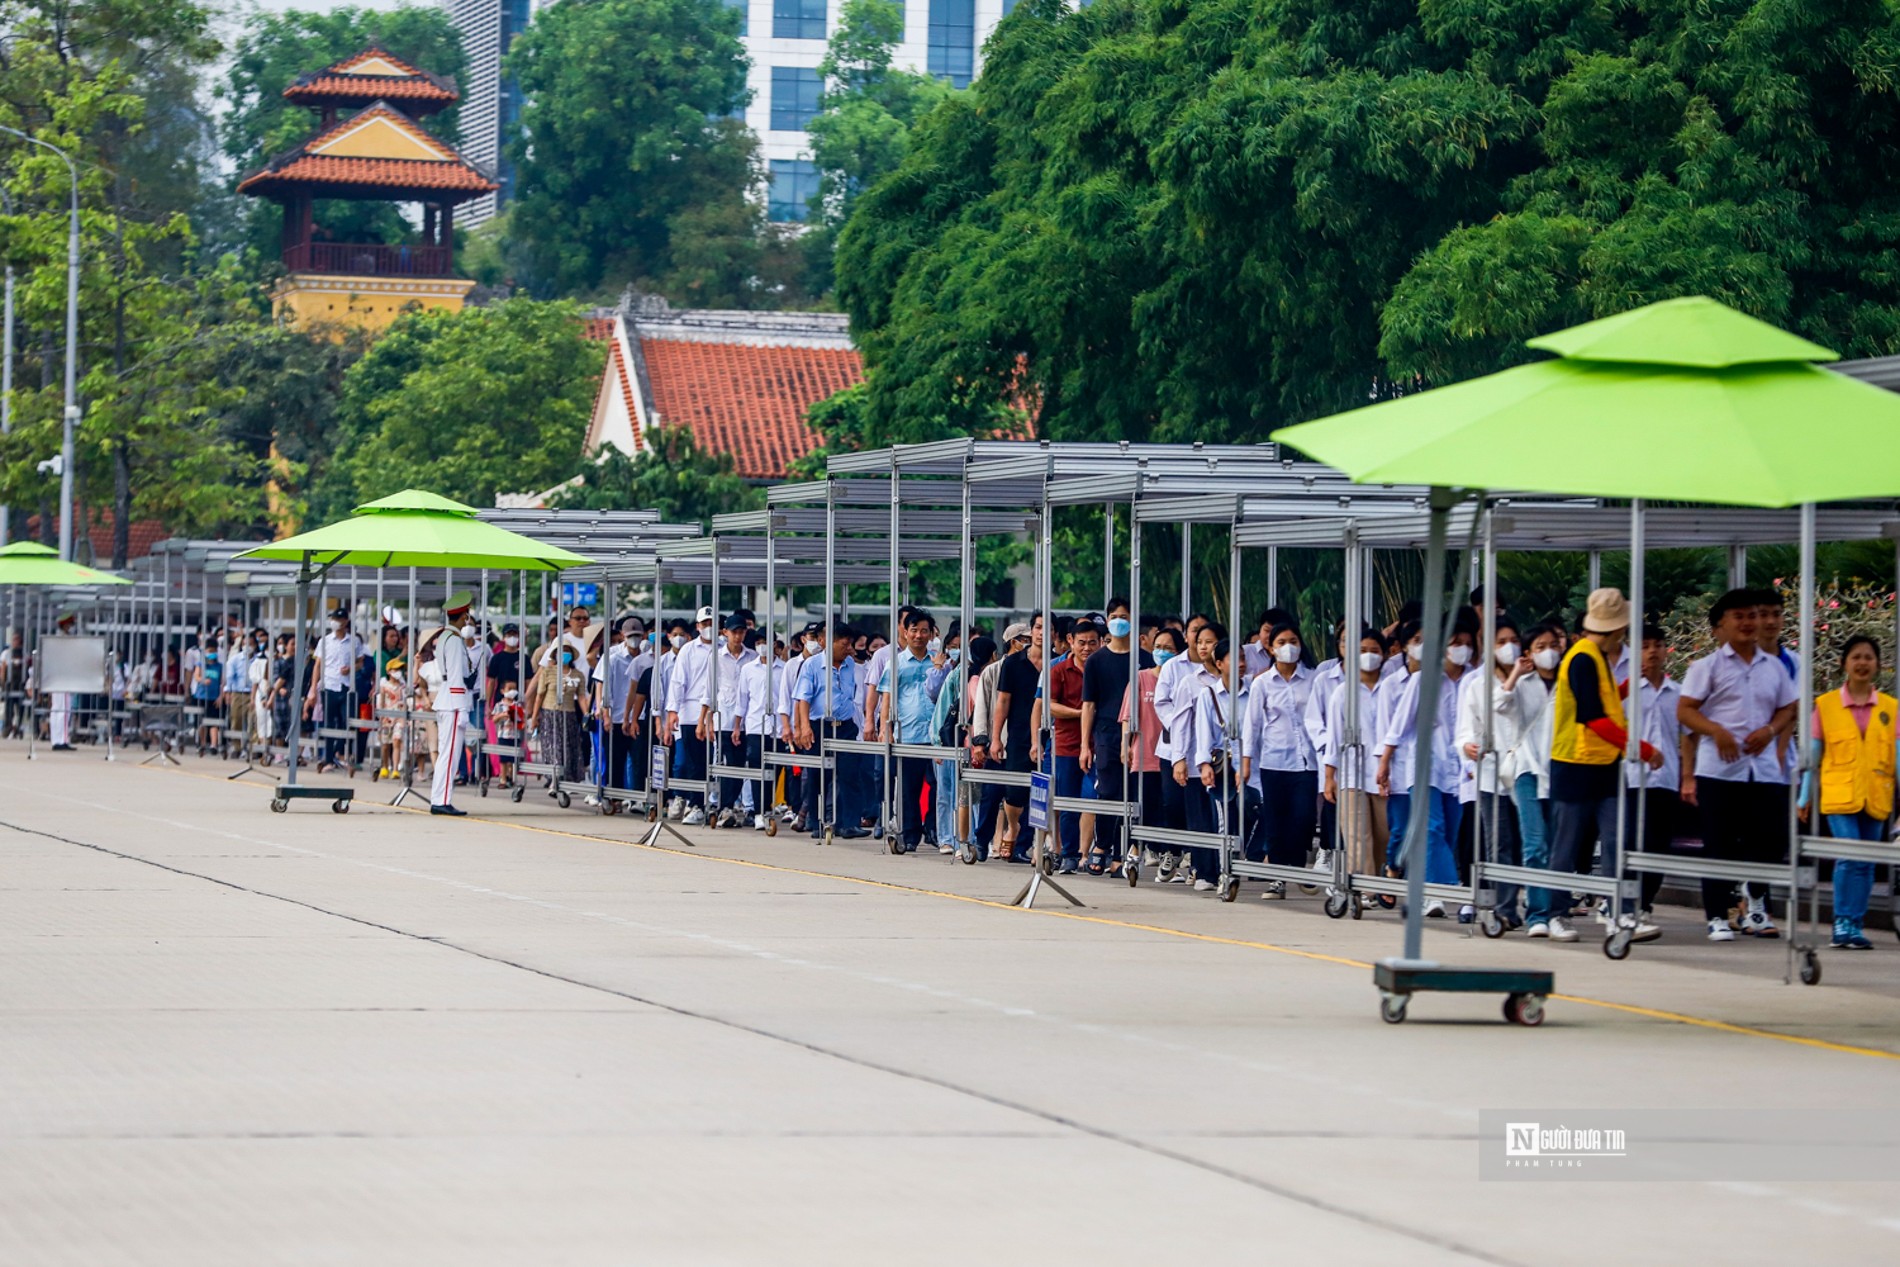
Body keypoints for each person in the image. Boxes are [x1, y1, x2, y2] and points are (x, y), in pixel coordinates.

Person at [1678, 588, 1798, 941]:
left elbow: (1788, 707)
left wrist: (1769, 730)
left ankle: (1756, 905)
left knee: (1770, 839)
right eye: (1739, 617)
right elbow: (1685, 710)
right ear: (1719, 628)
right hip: (1720, 770)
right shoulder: (1707, 667)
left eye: (1752, 616)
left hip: (1763, 769)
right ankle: (1716, 914)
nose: (1749, 623)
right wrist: (1716, 730)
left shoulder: (1774, 666)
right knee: (1719, 843)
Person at [1543, 588, 1660, 943]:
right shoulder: (1582, 658)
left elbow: (1602, 701)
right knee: (1567, 846)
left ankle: (1619, 913)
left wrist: (1626, 685)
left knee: (1614, 841)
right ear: (1617, 629)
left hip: (1603, 764)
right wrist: (1640, 747)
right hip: (1575, 764)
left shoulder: (1596, 657)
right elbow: (1594, 717)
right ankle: (1555, 914)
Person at [1799, 634, 1893, 950]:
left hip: (1876, 794)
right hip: (1839, 795)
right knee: (1850, 853)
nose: (1862, 663)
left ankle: (1856, 923)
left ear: (1878, 664)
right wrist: (1804, 796)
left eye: (1868, 657)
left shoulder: (1892, 709)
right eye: (1856, 657)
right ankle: (1842, 921)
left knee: (1867, 861)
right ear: (1844, 664)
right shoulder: (1825, 706)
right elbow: (1813, 756)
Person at [1375, 615, 1473, 917]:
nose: (1461, 650)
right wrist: (1385, 763)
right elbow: (1398, 726)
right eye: (1455, 643)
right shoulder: (1422, 679)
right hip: (1425, 765)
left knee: (1452, 832)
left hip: (1462, 770)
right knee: (1432, 828)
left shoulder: (1474, 679)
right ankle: (1447, 889)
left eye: (1467, 645)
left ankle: (1432, 889)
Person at [1607, 624, 1679, 943]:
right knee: (1633, 843)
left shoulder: (1678, 693)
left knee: (1658, 847)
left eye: (1658, 645)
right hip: (1633, 778)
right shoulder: (1622, 692)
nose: (1652, 651)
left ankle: (1644, 903)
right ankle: (1623, 905)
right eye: (1645, 645)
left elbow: (1685, 738)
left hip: (1667, 778)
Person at [1240, 621, 1317, 898]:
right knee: (1276, 821)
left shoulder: (1313, 679)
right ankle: (1278, 877)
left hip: (1307, 761)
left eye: (1293, 641)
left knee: (1304, 818)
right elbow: (1253, 725)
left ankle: (1295, 867)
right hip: (1273, 761)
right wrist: (1246, 762)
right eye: (1282, 642)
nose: (1289, 648)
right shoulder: (1262, 683)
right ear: (1271, 649)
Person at [1455, 619, 1523, 925]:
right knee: (1500, 843)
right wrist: (1467, 747)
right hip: (1491, 775)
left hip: (1528, 773)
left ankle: (1527, 904)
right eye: (1501, 641)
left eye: (1513, 639)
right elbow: (1465, 731)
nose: (1509, 647)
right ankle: (1504, 908)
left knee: (1528, 843)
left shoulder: (1532, 681)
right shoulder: (1476, 685)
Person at [1498, 622, 1564, 935]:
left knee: (1559, 846)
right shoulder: (1523, 684)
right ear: (1528, 654)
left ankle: (1556, 912)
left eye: (1553, 645)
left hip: (1563, 772)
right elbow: (1500, 704)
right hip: (1527, 770)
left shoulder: (1569, 681)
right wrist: (1516, 673)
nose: (1548, 652)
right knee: (1535, 843)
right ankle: (1538, 915)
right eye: (1540, 647)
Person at [1080, 598, 1149, 873]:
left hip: (1139, 732)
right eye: (1114, 615)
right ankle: (1103, 845)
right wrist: (1086, 745)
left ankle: (1124, 852)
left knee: (1133, 793)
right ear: (1107, 620)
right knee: (1108, 790)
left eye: (1124, 615)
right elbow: (1088, 704)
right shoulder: (1096, 660)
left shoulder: (1144, 659)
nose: (1119, 620)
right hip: (1106, 732)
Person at [1324, 628, 1389, 888]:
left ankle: (1382, 885)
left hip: (1385, 774)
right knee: (1357, 834)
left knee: (1384, 834)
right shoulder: (1343, 692)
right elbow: (1334, 737)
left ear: (1384, 654)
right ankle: (1363, 888)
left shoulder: (1391, 688)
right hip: (1351, 773)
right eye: (1362, 651)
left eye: (1374, 651)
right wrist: (1329, 776)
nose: (1369, 656)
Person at [880, 610, 949, 854]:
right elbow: (886, 698)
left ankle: (932, 829)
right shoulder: (895, 663)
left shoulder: (940, 662)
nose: (919, 635)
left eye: (924, 631)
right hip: (907, 734)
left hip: (935, 735)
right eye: (914, 630)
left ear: (931, 634)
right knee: (909, 789)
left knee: (937, 785)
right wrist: (884, 729)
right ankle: (909, 834)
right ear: (905, 632)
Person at [793, 622, 863, 838]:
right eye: (844, 644)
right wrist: (803, 727)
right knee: (817, 776)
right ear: (827, 642)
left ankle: (848, 823)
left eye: (850, 644)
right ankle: (817, 822)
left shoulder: (850, 664)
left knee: (850, 775)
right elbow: (803, 698)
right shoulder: (812, 665)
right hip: (819, 726)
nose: (849, 648)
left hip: (845, 726)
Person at [1042, 614, 1096, 872]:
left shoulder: (1102, 669)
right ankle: (1070, 854)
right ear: (1070, 642)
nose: (1087, 648)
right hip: (1066, 746)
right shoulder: (1058, 671)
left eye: (1093, 643)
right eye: (1082, 642)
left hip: (1100, 746)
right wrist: (1081, 713)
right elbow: (1050, 707)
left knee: (1095, 799)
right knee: (1067, 802)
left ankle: (1093, 853)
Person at [1188, 633, 1241, 892]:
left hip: (1249, 767)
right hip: (1223, 766)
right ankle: (1225, 873)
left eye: (1243, 658)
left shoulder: (1254, 691)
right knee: (1223, 820)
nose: (1241, 664)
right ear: (1219, 663)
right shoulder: (1208, 695)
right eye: (1235, 659)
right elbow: (1203, 735)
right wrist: (1204, 764)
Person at [991, 614, 1045, 863]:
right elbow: (1002, 701)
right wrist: (995, 737)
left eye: (1048, 628)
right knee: (1014, 793)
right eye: (1038, 627)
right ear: (1031, 631)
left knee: (1044, 793)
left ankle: (1037, 845)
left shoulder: (1056, 663)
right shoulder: (1013, 663)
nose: (1042, 633)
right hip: (1019, 735)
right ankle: (1013, 827)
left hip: (1050, 737)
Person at [424, 594, 476, 815]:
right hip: (454, 701)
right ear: (464, 616)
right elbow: (455, 676)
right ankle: (442, 800)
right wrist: (462, 708)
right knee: (450, 754)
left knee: (447, 753)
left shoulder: (445, 636)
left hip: (447, 699)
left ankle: (439, 798)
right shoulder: (454, 640)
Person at [709, 613, 751, 826]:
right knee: (723, 765)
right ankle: (723, 806)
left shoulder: (751, 657)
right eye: (734, 632)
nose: (737, 636)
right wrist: (705, 720)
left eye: (741, 631)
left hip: (746, 723)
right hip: (723, 719)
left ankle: (729, 804)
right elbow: (709, 690)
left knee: (738, 765)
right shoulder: (716, 657)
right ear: (725, 633)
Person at [733, 630, 773, 829]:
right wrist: (736, 726)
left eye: (766, 642)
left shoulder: (782, 669)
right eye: (759, 642)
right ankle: (759, 811)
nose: (763, 645)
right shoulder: (748, 669)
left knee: (774, 771)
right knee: (758, 771)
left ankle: (770, 807)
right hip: (755, 726)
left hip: (778, 729)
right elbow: (742, 700)